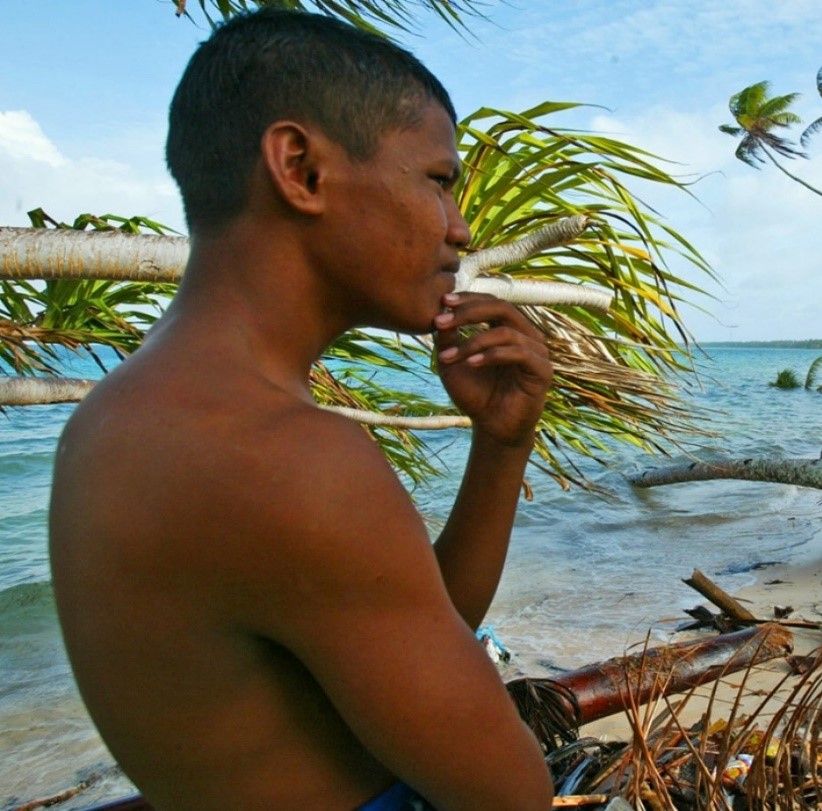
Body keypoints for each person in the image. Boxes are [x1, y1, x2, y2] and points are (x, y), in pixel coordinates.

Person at [48, 9, 554, 810]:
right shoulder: (286, 457)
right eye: (438, 181)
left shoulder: (111, 418)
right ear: (301, 168)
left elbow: (409, 633)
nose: (459, 230)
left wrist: (502, 442)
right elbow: (512, 793)